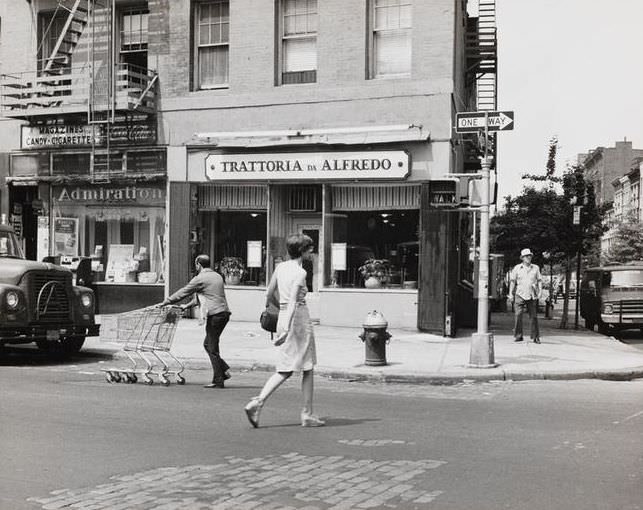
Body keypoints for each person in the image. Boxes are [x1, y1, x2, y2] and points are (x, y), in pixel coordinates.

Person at [244, 233, 324, 428]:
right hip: (297, 320)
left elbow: (269, 294)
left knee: (288, 368)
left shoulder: (280, 268)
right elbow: (295, 301)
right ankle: (305, 413)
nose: (311, 252)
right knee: (305, 367)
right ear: (302, 251)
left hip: (284, 315)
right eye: (309, 248)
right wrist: (287, 328)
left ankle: (259, 402)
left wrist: (281, 312)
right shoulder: (300, 272)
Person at [159, 254, 231, 388]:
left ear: (198, 264)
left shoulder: (200, 278)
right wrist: (186, 306)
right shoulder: (217, 276)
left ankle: (219, 380)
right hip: (224, 314)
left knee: (211, 347)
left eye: (196, 264)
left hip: (216, 315)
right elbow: (204, 296)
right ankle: (223, 370)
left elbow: (183, 292)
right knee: (208, 344)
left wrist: (166, 302)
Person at [509, 248, 542, 343]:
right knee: (518, 315)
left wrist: (540, 292)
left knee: (533, 316)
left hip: (531, 295)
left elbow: (539, 280)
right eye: (526, 256)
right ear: (522, 258)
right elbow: (512, 281)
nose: (529, 257)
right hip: (519, 294)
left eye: (530, 255)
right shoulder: (517, 268)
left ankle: (535, 337)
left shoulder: (535, 268)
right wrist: (510, 293)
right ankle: (518, 335)